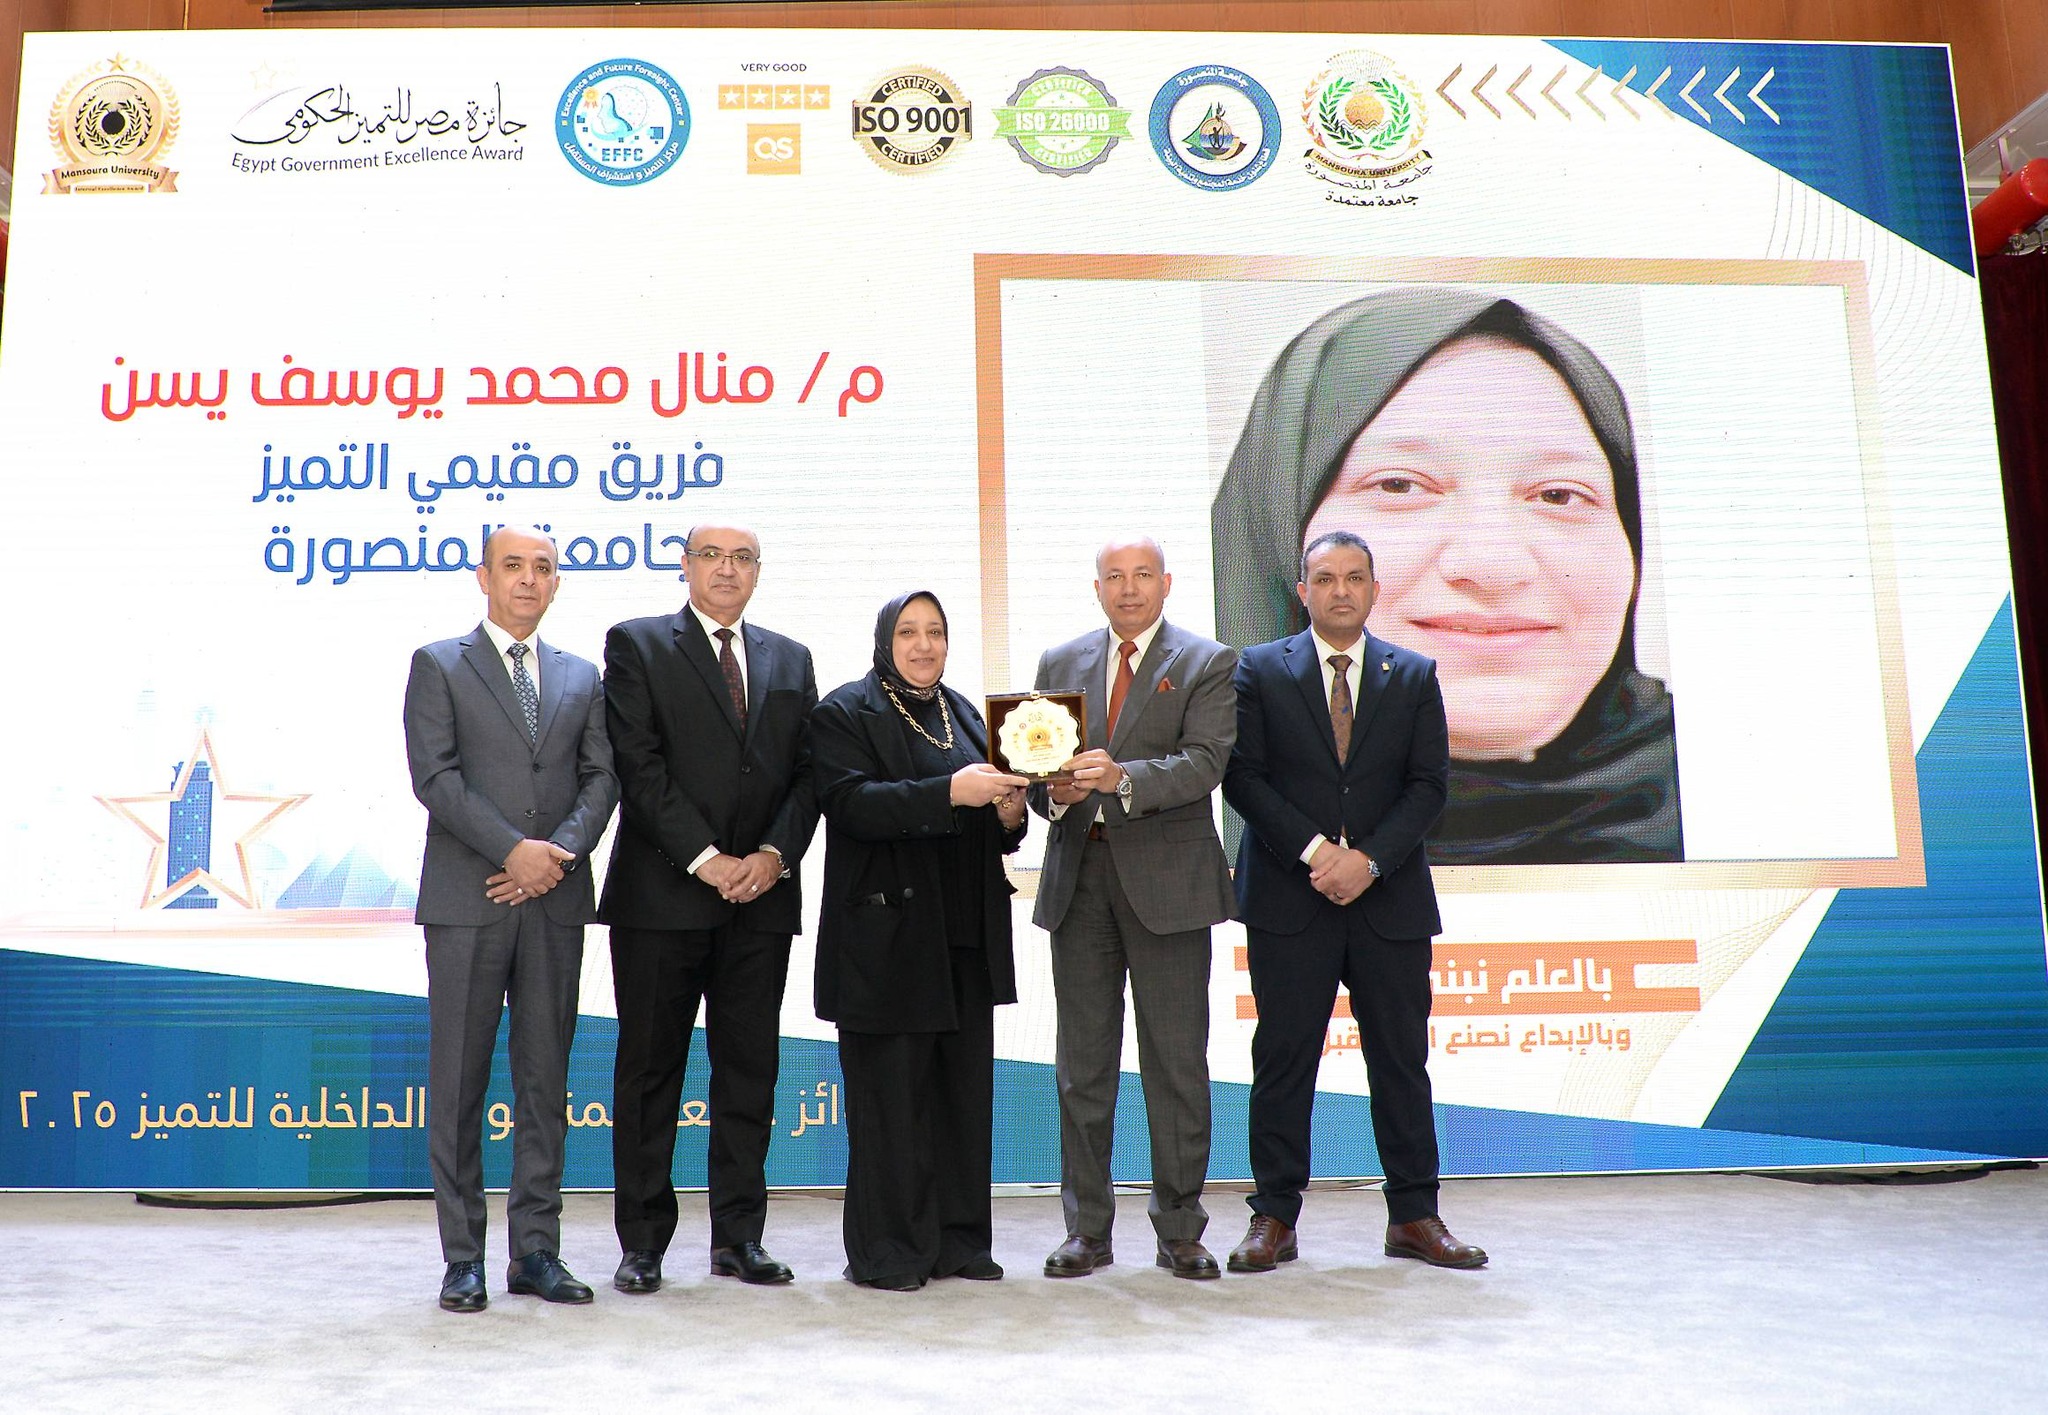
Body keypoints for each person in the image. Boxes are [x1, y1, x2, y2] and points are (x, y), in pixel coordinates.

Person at [1211, 288, 1681, 864]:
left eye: (1559, 495)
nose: (1493, 566)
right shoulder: (1171, 809)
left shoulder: (1742, 785)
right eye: (1399, 485)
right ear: (1277, 535)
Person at [1221, 529, 1486, 1273]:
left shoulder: (1414, 674)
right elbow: (1243, 778)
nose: (1340, 590)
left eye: (1354, 577)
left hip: (1388, 900)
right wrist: (1317, 853)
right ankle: (1274, 1216)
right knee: (1283, 1059)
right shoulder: (1258, 669)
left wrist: (1367, 862)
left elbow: (1429, 786)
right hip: (1290, 896)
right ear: (1302, 590)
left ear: (1374, 589)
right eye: (1326, 578)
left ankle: (1415, 1215)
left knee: (1400, 1061)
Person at [403, 526, 619, 1313]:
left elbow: (602, 777)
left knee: (544, 1080)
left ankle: (536, 1250)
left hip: (554, 900)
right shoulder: (439, 664)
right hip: (470, 900)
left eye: (543, 568)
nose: (529, 579)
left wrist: (556, 854)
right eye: (514, 566)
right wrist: (513, 851)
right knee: (459, 1083)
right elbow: (436, 778)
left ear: (557, 583)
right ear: (484, 577)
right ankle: (463, 1258)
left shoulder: (582, 675)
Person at [598, 523, 819, 1292]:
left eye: (743, 558)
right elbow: (638, 765)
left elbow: (809, 775)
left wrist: (772, 856)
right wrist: (708, 858)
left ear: (758, 571)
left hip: (761, 900)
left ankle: (739, 1237)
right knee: (650, 1074)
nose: (728, 569)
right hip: (662, 898)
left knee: (749, 1074)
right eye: (712, 556)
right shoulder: (636, 643)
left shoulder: (791, 658)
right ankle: (642, 1243)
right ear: (685, 566)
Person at [1028, 537, 1237, 1280]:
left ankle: (1180, 1228)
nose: (1128, 588)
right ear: (1097, 588)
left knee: (1175, 1065)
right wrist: (1052, 793)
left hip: (1170, 888)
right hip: (1079, 882)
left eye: (1142, 575)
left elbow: (1205, 762)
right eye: (1114, 576)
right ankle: (1086, 1229)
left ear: (1166, 583)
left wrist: (1120, 778)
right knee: (1082, 1068)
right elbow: (1035, 768)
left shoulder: (1207, 661)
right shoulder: (1059, 662)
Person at [810, 591, 1029, 1291]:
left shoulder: (964, 711)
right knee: (892, 1105)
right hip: (888, 940)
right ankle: (889, 1251)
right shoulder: (845, 712)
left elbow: (994, 826)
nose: (924, 644)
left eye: (936, 631)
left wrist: (1009, 814)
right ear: (885, 640)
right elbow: (850, 805)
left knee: (961, 1098)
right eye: (909, 631)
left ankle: (958, 1242)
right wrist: (949, 794)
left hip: (963, 935)